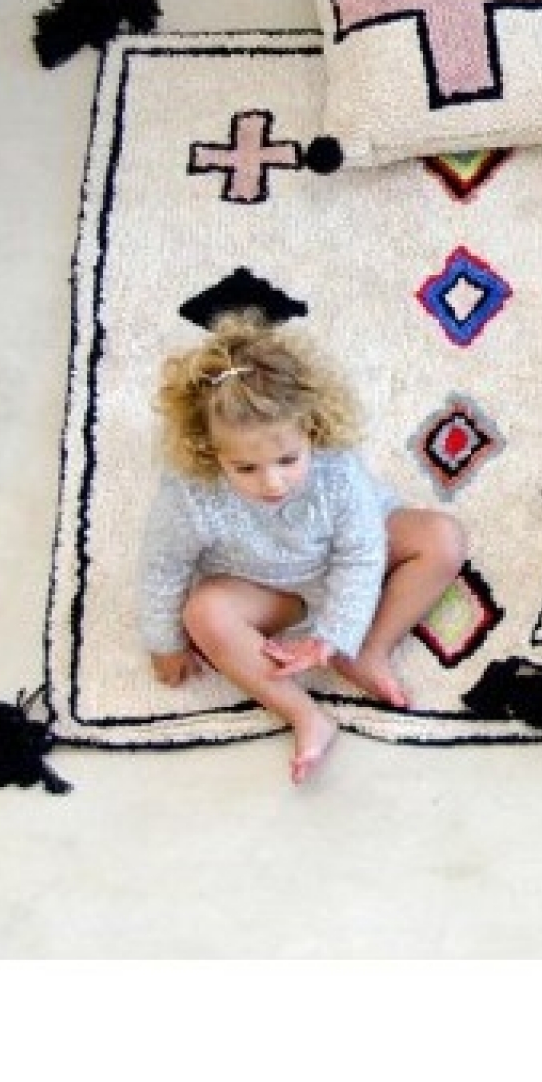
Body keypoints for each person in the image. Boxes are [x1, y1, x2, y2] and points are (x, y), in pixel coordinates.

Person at [139, 310, 466, 781]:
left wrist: (339, 632)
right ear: (209, 451)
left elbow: (361, 552)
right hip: (269, 589)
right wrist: (163, 643)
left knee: (443, 538)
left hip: (349, 555)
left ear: (312, 431)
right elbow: (162, 567)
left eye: (288, 460)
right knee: (203, 613)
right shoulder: (190, 494)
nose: (273, 483)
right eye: (245, 468)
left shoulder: (338, 468)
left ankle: (368, 650)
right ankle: (304, 714)